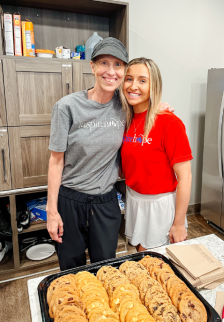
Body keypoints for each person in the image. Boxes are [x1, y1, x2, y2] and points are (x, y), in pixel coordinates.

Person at [46, 38, 131, 270]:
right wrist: (51, 211)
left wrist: (161, 107)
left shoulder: (125, 106)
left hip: (105, 202)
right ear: (92, 67)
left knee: (105, 269)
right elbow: (56, 161)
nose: (111, 71)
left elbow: (148, 104)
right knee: (71, 269)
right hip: (70, 201)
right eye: (104, 63)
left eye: (118, 65)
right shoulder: (67, 107)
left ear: (124, 70)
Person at [120, 57, 193, 252]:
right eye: (129, 79)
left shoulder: (169, 123)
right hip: (135, 200)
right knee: (140, 257)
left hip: (160, 205)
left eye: (142, 80)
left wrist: (178, 223)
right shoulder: (126, 119)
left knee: (159, 265)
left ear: (154, 85)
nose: (133, 86)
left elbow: (185, 176)